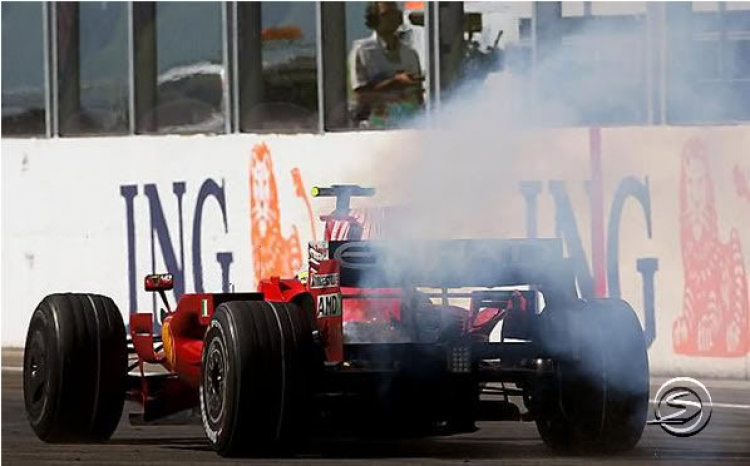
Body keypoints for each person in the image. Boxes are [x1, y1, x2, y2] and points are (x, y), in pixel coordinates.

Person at [349, 2, 424, 128]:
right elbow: (360, 96)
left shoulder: (410, 53)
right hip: (373, 126)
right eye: (386, 14)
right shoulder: (363, 50)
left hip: (407, 124)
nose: (393, 18)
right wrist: (396, 82)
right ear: (374, 18)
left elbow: (418, 96)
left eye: (395, 13)